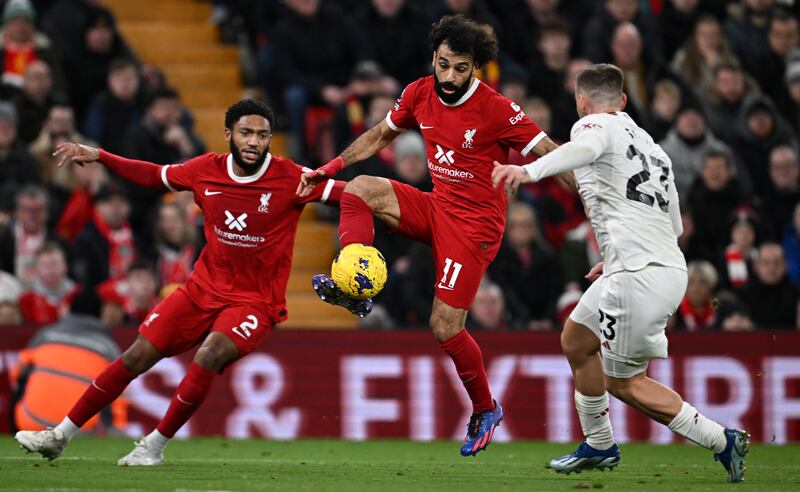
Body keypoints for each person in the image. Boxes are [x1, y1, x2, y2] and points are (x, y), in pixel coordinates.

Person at [15, 99, 344, 466]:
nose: (254, 142)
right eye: (246, 132)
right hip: (201, 288)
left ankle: (153, 447)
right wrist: (101, 156)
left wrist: (400, 201)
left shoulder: (293, 177)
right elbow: (154, 175)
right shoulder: (204, 170)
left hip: (254, 301)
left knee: (209, 353)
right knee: (136, 355)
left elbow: (348, 195)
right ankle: (59, 435)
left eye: (263, 135)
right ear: (229, 135)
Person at [297, 15, 558, 457]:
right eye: (444, 64)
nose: (451, 76)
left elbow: (554, 155)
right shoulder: (419, 92)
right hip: (437, 207)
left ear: (476, 68)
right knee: (360, 190)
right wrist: (333, 167)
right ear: (433, 59)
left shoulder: (497, 109)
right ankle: (356, 283)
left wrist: (600, 212)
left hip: (475, 230)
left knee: (443, 325)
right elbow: (380, 134)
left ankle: (486, 407)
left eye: (462, 68)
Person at [492, 63, 749, 482]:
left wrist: (528, 169)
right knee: (576, 339)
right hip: (649, 265)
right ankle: (598, 443)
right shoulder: (654, 148)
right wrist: (615, 256)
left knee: (624, 382)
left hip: (639, 274)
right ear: (625, 101)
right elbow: (677, 226)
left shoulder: (593, 126)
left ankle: (722, 439)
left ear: (581, 102)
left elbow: (585, 150)